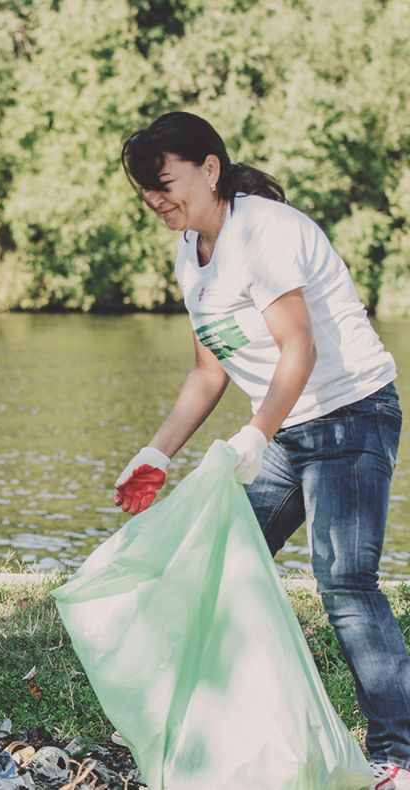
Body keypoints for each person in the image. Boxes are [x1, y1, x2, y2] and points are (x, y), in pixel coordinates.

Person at [115, 110, 408, 789]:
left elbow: (299, 348)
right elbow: (208, 370)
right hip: (285, 426)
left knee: (345, 582)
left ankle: (399, 754)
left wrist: (256, 433)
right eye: (145, 190)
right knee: (218, 566)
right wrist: (157, 452)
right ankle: (227, 737)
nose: (155, 199)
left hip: (350, 414)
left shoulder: (265, 231)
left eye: (164, 183)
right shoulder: (190, 250)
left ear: (209, 168)